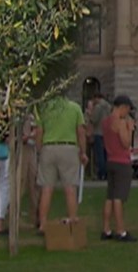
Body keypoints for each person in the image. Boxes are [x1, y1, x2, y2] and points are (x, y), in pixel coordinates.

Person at [36, 95, 88, 233]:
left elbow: (39, 131)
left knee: (46, 189)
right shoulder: (75, 108)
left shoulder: (44, 108)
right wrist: (83, 152)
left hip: (48, 147)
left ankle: (43, 224)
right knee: (70, 188)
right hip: (69, 147)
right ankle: (72, 220)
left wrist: (39, 149)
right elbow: (80, 132)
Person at [101, 95, 138, 242]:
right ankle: (120, 230)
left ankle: (106, 229)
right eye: (127, 110)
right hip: (122, 162)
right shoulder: (120, 122)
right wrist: (130, 129)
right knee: (119, 197)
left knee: (110, 196)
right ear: (123, 107)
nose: (127, 113)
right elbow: (126, 143)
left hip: (110, 159)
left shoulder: (106, 122)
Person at [89, 93, 111, 181]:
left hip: (99, 132)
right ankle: (107, 173)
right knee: (106, 154)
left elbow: (94, 119)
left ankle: (101, 173)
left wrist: (90, 113)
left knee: (99, 154)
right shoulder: (109, 107)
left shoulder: (98, 107)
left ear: (96, 98)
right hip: (108, 133)